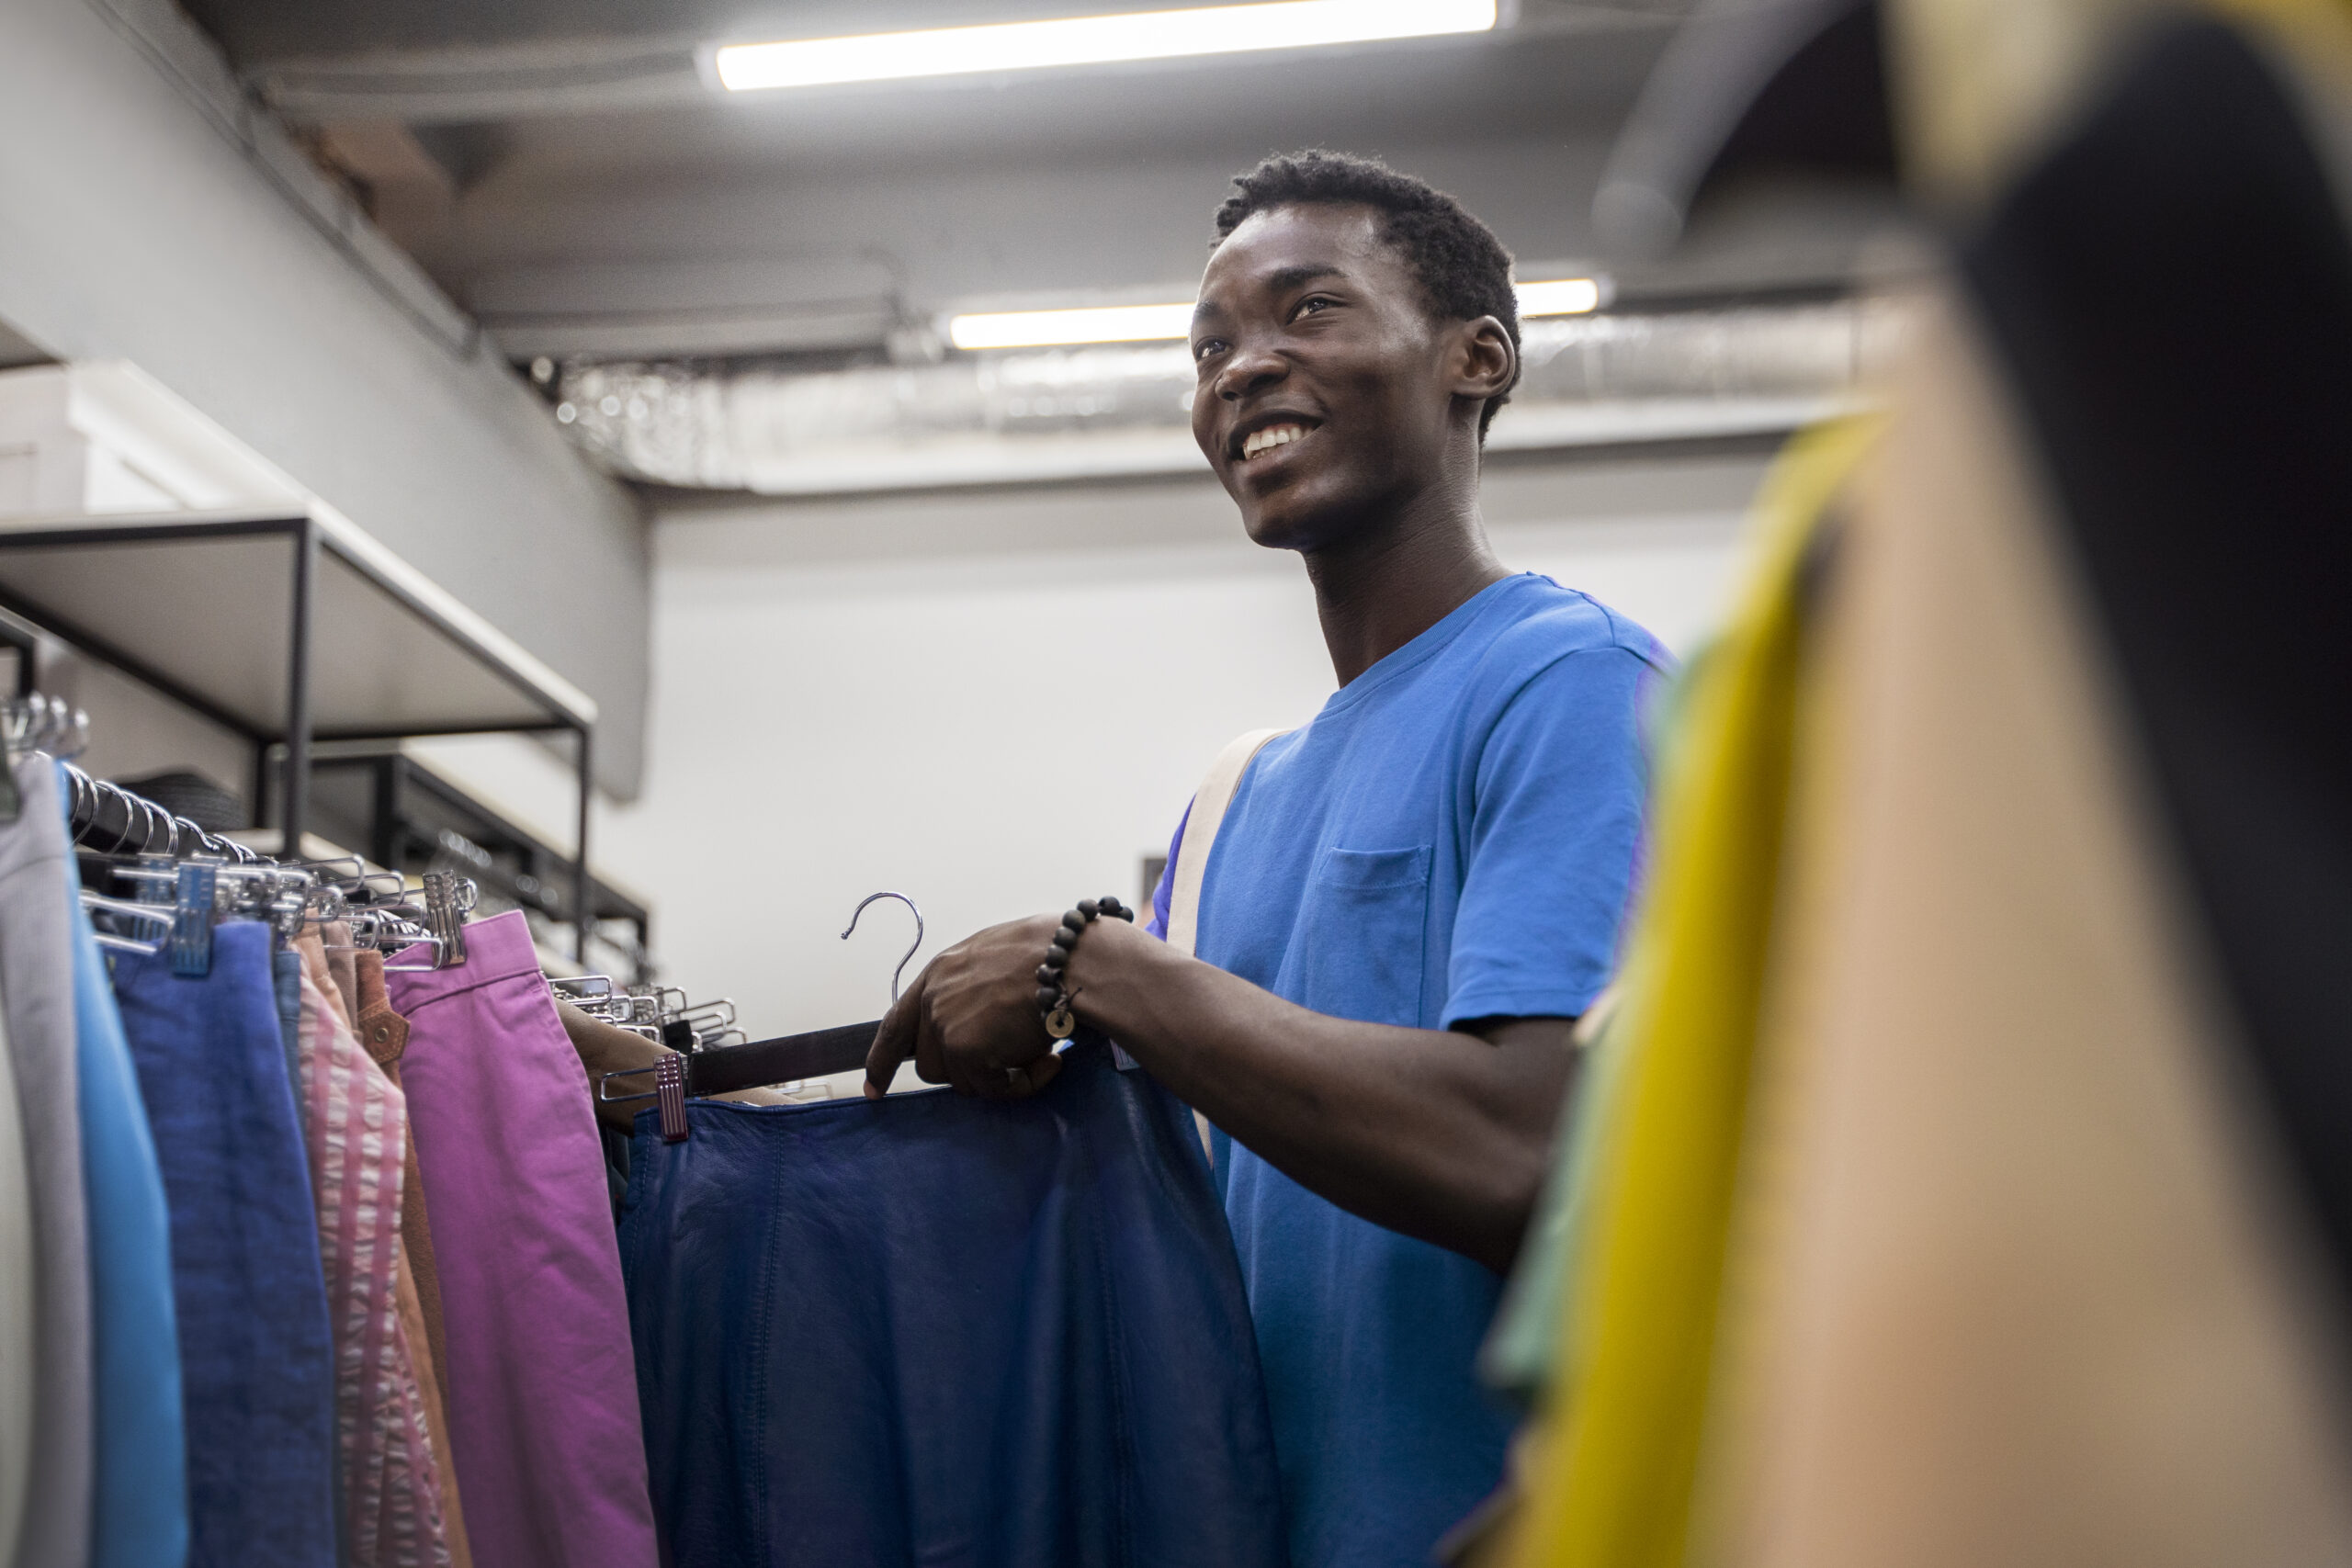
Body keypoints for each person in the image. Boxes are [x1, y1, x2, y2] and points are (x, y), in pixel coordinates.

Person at [864, 150, 1669, 1568]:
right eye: (1211, 346)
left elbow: (1523, 1149)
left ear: (1476, 360)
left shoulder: (1572, 684)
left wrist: (1095, 967)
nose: (1242, 370)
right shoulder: (1233, 798)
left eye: (1308, 313)